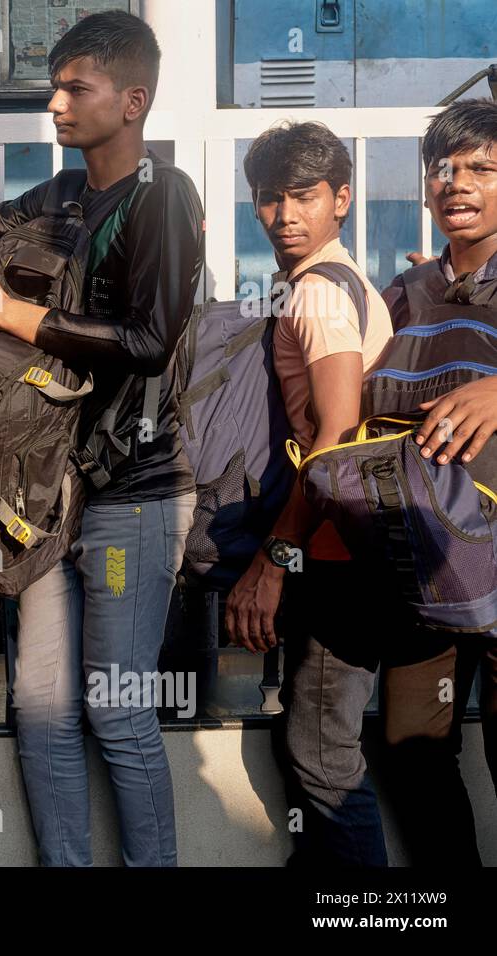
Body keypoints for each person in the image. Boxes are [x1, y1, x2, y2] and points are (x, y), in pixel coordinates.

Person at [0, 11, 203, 867]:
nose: (56, 105)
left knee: (118, 705)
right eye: (54, 87)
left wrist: (11, 313)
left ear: (132, 100)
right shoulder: (63, 195)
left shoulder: (162, 196)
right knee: (39, 705)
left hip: (133, 492)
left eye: (77, 88)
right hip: (48, 495)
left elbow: (150, 340)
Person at [228, 121, 393, 867]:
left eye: (304, 195)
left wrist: (273, 564)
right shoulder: (329, 284)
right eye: (269, 198)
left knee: (322, 754)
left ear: (342, 199)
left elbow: (335, 436)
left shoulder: (321, 296)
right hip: (341, 545)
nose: (285, 214)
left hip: (335, 550)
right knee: (315, 744)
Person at [379, 98, 497, 866]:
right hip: (422, 564)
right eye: (443, 168)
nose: (457, 182)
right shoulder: (401, 294)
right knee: (411, 750)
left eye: (482, 168)